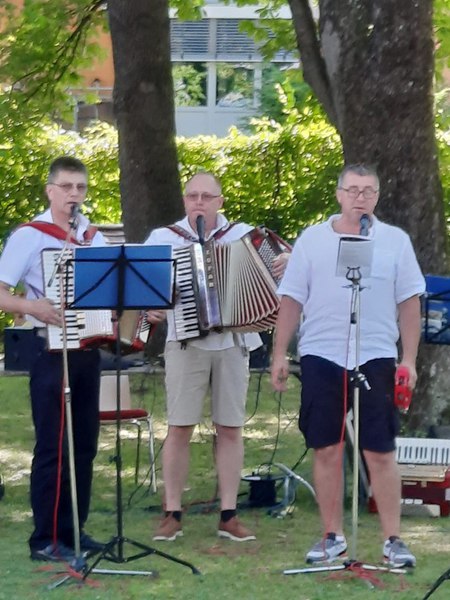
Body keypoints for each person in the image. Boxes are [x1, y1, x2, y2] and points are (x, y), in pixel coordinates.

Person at [271, 164, 425, 568]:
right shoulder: (312, 240)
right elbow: (291, 299)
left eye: (368, 191)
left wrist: (409, 359)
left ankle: (393, 540)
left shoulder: (395, 241)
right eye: (353, 190)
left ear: (377, 197)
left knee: (380, 449)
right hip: (322, 352)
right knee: (327, 446)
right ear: (339, 194)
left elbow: (409, 302)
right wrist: (279, 354)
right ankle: (331, 536)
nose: (360, 198)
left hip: (375, 352)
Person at [144, 172, 288, 542]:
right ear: (184, 200)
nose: (199, 202)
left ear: (220, 202)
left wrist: (286, 261)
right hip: (185, 343)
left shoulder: (242, 235)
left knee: (230, 427)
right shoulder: (163, 238)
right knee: (179, 427)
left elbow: (280, 270)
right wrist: (151, 308)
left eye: (207, 196)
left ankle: (229, 514)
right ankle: (172, 512)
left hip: (234, 342)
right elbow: (144, 291)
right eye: (192, 196)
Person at [0, 156, 106, 562]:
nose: (74, 195)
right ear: (50, 191)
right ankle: (44, 538)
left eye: (80, 187)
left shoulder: (93, 237)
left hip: (88, 349)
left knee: (84, 445)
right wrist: (33, 307)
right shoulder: (30, 236)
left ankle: (74, 530)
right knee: (53, 446)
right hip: (49, 350)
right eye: (66, 187)